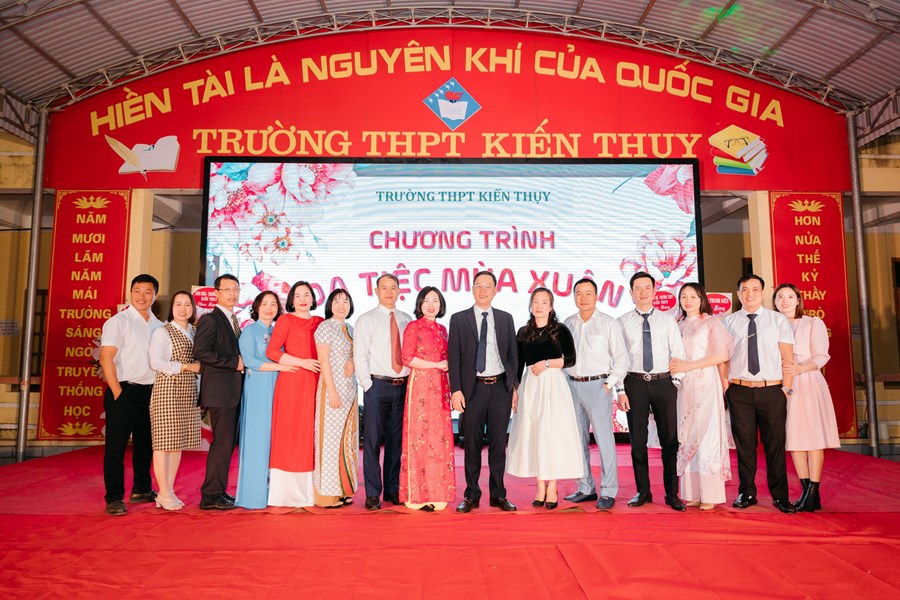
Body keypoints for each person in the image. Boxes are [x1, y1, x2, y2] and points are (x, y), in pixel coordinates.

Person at [723, 274, 796, 514]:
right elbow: (723, 360)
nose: (750, 294)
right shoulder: (728, 322)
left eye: (755, 289)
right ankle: (747, 492)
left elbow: (787, 358)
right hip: (739, 391)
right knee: (744, 446)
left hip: (772, 391)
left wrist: (786, 389)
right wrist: (726, 389)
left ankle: (780, 496)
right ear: (738, 294)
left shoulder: (777, 320)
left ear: (762, 293)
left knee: (775, 445)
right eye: (745, 289)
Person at [449, 270, 519, 513]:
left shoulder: (506, 318)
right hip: (473, 390)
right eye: (478, 285)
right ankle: (471, 495)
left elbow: (512, 356)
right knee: (472, 445)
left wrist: (514, 387)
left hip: (500, 389)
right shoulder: (459, 319)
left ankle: (498, 495)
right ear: (472, 289)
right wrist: (456, 390)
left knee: (498, 445)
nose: (483, 290)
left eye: (488, 286)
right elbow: (454, 358)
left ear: (495, 290)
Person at [617, 271, 687, 511]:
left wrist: (674, 383)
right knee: (638, 442)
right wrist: (620, 389)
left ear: (655, 291)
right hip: (634, 383)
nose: (643, 292)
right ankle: (643, 491)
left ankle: (672, 494)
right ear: (631, 293)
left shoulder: (667, 321)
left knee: (670, 441)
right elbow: (618, 359)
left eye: (647, 287)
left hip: (663, 382)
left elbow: (677, 352)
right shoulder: (622, 322)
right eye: (637, 288)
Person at [507, 287, 582, 509]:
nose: (539, 306)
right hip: (531, 386)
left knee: (552, 434)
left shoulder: (560, 330)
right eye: (536, 302)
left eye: (544, 302)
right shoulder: (523, 332)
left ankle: (552, 486)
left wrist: (547, 363)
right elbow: (518, 365)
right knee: (534, 433)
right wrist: (515, 390)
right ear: (531, 305)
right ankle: (540, 485)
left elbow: (571, 359)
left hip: (554, 385)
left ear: (551, 306)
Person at [99, 274, 163, 515]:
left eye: (147, 292)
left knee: (145, 445)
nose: (142, 296)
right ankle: (114, 497)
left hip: (151, 392)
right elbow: (106, 358)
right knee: (116, 448)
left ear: (155, 296)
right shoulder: (118, 322)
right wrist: (118, 392)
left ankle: (141, 489)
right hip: (124, 390)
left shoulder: (159, 325)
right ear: (130, 293)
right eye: (137, 291)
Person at [563, 278, 629, 511]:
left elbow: (621, 359)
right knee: (577, 439)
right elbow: (563, 358)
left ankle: (608, 491)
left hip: (598, 386)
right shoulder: (568, 323)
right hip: (572, 385)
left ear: (597, 296)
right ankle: (585, 487)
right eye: (579, 293)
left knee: (604, 440)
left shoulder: (608, 323)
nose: (583, 298)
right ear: (574, 296)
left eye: (588, 293)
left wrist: (609, 385)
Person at [774, 283, 840, 512]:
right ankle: (806, 492)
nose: (784, 301)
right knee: (794, 437)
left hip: (808, 381)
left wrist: (800, 369)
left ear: (798, 300)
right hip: (783, 383)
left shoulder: (812, 323)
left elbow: (822, 355)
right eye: (780, 297)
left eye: (789, 297)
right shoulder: (772, 325)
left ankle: (813, 490)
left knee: (812, 437)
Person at [668, 283, 733, 511]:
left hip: (706, 384)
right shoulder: (677, 324)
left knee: (707, 437)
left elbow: (722, 355)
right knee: (687, 435)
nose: (688, 301)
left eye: (693, 297)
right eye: (684, 297)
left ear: (702, 299)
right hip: (685, 387)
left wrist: (690, 365)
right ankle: (693, 492)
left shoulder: (711, 323)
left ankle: (710, 493)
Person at [353, 274, 412, 510]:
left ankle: (392, 489)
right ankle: (372, 493)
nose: (389, 292)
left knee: (396, 442)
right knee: (373, 441)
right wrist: (367, 385)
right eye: (384, 288)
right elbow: (360, 354)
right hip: (377, 386)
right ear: (376, 291)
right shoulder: (366, 319)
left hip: (402, 386)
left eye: (393, 287)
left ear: (399, 291)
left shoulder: (406, 319)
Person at [235, 291, 298, 509]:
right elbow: (250, 361)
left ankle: (274, 492)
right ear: (256, 307)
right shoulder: (249, 331)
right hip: (259, 386)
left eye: (273, 304)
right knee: (258, 439)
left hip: (279, 385)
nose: (269, 308)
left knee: (275, 439)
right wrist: (281, 366)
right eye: (265, 304)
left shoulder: (277, 331)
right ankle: (253, 495)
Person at [266, 281, 323, 507]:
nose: (302, 299)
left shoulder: (320, 322)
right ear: (291, 299)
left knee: (311, 433)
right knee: (290, 432)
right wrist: (302, 362)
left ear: (313, 298)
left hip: (316, 382)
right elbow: (272, 351)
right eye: (298, 295)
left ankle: (312, 491)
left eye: (306, 294)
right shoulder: (285, 320)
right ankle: (286, 493)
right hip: (292, 381)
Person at [399, 287, 455, 511]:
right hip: (421, 385)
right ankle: (416, 494)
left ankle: (436, 492)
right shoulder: (413, 326)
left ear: (441, 305)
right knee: (418, 436)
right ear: (420, 304)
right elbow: (407, 358)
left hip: (440, 386)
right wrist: (436, 365)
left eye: (435, 301)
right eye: (427, 300)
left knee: (438, 438)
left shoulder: (443, 330)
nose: (431, 305)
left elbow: (448, 361)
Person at [194, 273, 245, 511]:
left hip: (231, 392)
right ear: (216, 293)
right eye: (227, 289)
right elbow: (201, 351)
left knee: (225, 445)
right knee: (222, 444)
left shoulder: (233, 320)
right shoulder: (211, 319)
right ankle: (211, 495)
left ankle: (218, 492)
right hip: (220, 392)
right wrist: (233, 363)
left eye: (236, 289)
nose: (232, 294)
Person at [148, 290, 201, 511]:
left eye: (187, 305)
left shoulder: (195, 332)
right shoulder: (162, 332)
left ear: (193, 308)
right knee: (163, 443)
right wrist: (186, 366)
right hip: (167, 391)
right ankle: (163, 492)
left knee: (176, 444)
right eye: (178, 304)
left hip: (188, 391)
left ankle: (168, 491)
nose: (182, 309)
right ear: (171, 308)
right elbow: (156, 362)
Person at [313, 289, 359, 508]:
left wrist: (353, 361)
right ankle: (327, 495)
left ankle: (344, 490)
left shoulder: (350, 328)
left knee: (347, 441)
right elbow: (323, 361)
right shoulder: (325, 327)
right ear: (330, 305)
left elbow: (355, 355)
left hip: (350, 391)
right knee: (330, 441)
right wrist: (331, 390)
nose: (341, 305)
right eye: (337, 301)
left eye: (345, 301)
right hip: (332, 390)